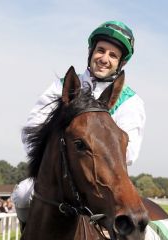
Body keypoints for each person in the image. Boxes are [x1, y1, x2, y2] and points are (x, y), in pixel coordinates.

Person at [12, 20, 146, 225]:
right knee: (22, 194)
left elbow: (128, 153)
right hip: (57, 175)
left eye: (113, 55)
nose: (104, 59)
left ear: (121, 63)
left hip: (102, 182)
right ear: (91, 52)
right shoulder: (62, 85)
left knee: (121, 220)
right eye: (101, 50)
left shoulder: (130, 101)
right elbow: (32, 129)